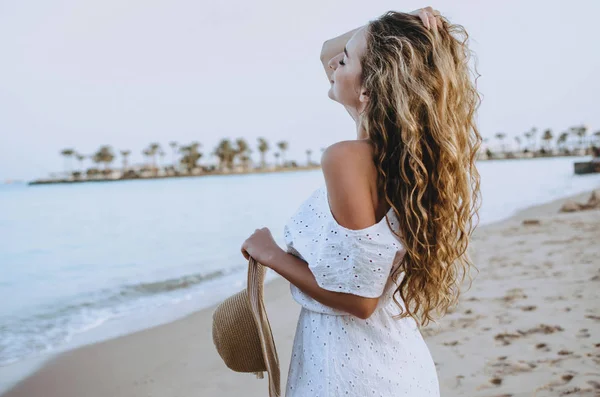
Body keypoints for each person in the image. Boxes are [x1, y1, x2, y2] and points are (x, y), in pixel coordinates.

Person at [241, 7, 481, 396]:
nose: (334, 64)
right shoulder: (401, 159)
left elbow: (361, 300)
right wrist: (398, 25)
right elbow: (326, 52)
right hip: (388, 357)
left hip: (352, 367)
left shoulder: (347, 158)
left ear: (368, 87)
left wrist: (269, 254)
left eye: (347, 60)